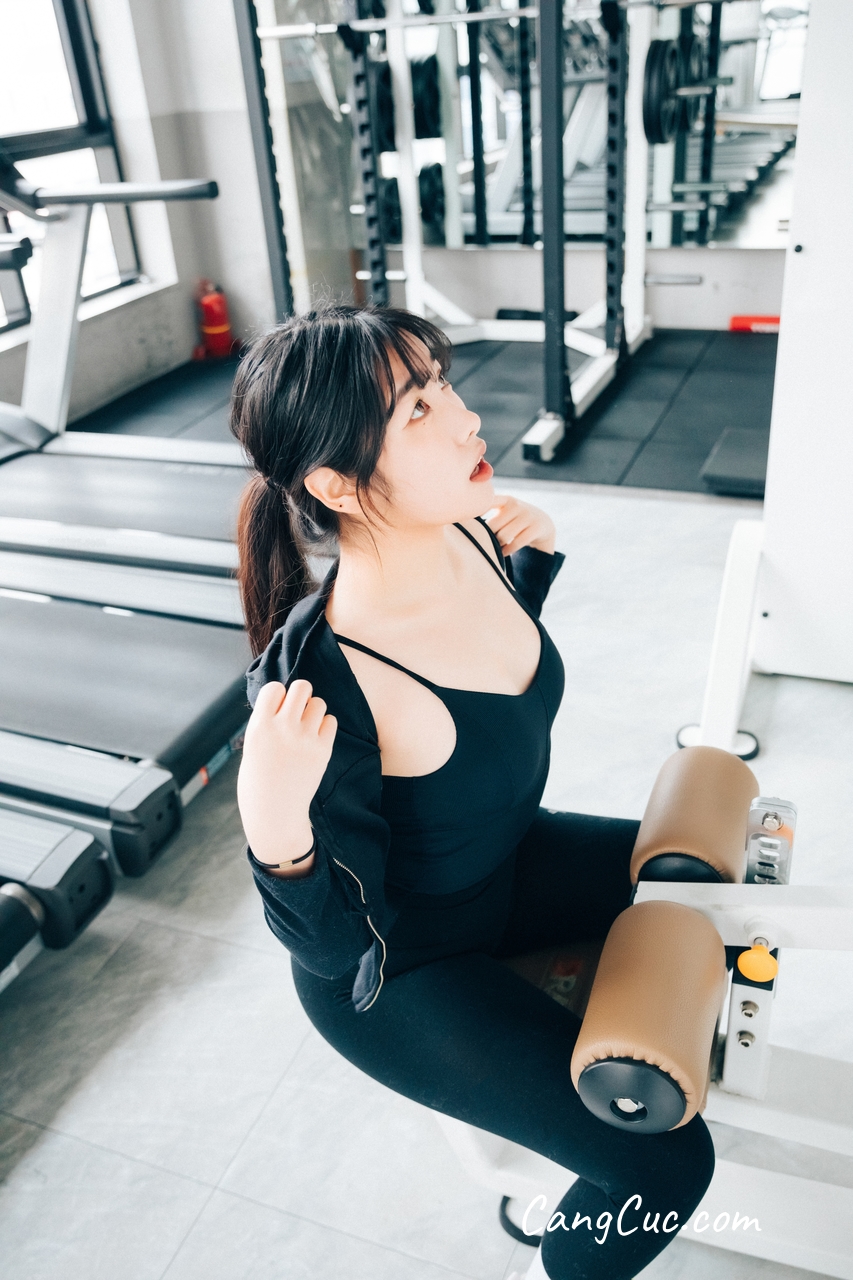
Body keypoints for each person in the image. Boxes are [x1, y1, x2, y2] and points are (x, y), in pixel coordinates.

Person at [232, 305, 715, 1280]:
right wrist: (276, 828)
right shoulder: (326, 686)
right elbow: (335, 947)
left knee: (705, 884)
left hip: (500, 863)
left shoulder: (473, 536)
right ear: (337, 484)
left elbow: (484, 703)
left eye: (442, 384)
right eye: (417, 409)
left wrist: (527, 570)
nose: (465, 418)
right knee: (664, 1164)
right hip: (400, 970)